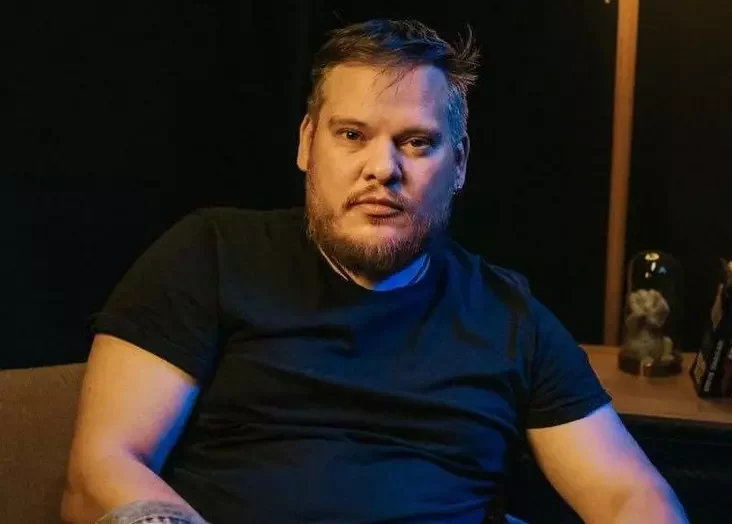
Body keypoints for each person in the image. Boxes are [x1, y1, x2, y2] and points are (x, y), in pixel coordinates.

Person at [61, 19, 688, 524]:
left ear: (459, 163)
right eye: (352, 134)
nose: (382, 168)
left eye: (416, 142)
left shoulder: (509, 316)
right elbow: (101, 471)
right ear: (307, 143)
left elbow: (626, 494)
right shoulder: (211, 255)